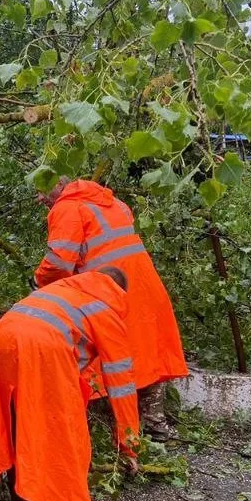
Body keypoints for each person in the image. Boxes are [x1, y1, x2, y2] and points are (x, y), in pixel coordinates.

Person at [0, 268, 140, 501]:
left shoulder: (62, 291)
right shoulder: (106, 308)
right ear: (119, 291)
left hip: (2, 337)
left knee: (15, 426)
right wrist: (129, 443)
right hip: (41, 349)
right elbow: (122, 385)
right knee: (62, 435)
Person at [34, 178, 188, 441]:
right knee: (147, 349)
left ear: (58, 184)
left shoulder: (67, 208)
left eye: (40, 190)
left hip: (109, 288)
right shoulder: (110, 201)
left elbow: (59, 263)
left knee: (97, 351)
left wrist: (39, 283)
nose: (39, 199)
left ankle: (94, 423)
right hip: (143, 285)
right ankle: (152, 422)